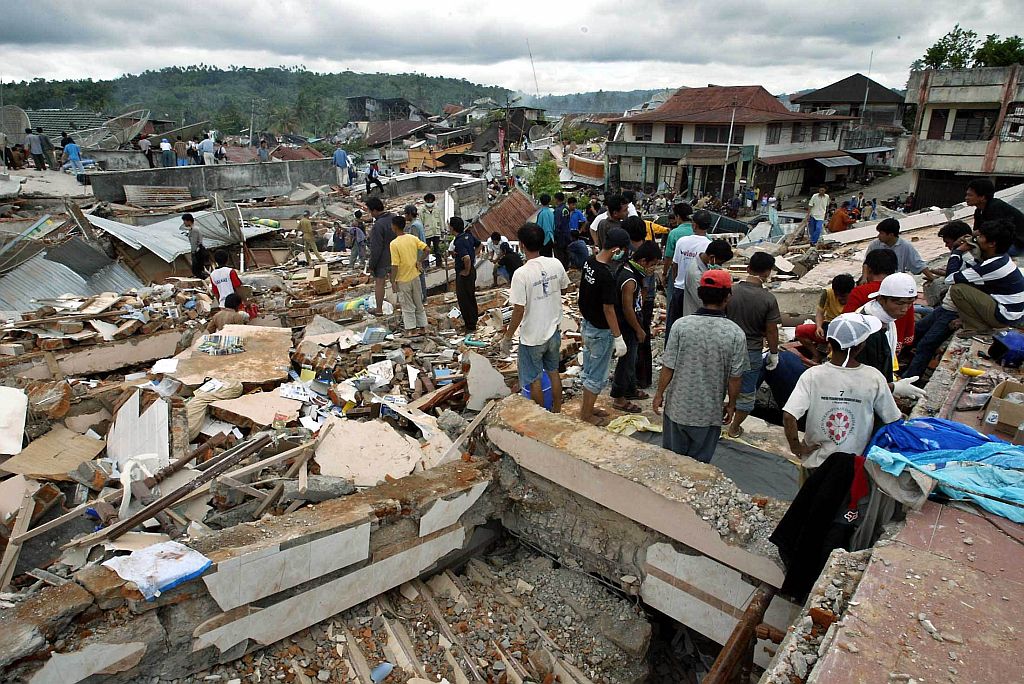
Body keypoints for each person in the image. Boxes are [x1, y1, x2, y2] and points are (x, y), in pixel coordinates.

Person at [783, 313, 903, 470]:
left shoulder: (813, 375)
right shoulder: (873, 377)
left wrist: (796, 447)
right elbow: (892, 419)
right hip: (852, 465)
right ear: (861, 346)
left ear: (829, 343)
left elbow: (788, 415)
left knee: (810, 494)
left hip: (815, 463)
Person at [653, 268, 749, 463]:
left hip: (677, 410)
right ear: (727, 297)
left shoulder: (681, 326)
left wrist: (659, 394)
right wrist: (731, 405)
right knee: (699, 466)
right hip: (709, 414)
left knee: (672, 461)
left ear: (700, 294)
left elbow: (668, 366)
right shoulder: (735, 334)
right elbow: (735, 377)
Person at [500, 223, 571, 412]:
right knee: (553, 371)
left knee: (534, 379)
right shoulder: (555, 263)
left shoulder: (521, 274)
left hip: (532, 337)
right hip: (553, 331)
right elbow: (565, 287)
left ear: (522, 245)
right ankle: (557, 411)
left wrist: (508, 337)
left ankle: (542, 417)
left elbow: (518, 310)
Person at [906, 221, 975, 379]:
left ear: (960, 241)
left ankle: (910, 380)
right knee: (916, 331)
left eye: (948, 243)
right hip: (945, 307)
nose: (946, 246)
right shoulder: (963, 257)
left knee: (926, 345)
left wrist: (962, 318)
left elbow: (960, 281)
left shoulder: (968, 259)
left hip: (953, 312)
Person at [725, 251, 782, 438]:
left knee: (720, 387)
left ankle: (715, 421)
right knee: (747, 394)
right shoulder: (768, 299)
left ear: (748, 268)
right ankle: (733, 428)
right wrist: (774, 353)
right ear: (768, 272)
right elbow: (772, 330)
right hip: (751, 352)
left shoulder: (731, 291)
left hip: (726, 347)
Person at [578, 228, 630, 426]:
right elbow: (609, 309)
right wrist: (618, 337)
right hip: (600, 331)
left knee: (590, 371)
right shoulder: (606, 275)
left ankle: (588, 408)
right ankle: (586, 415)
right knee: (596, 376)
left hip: (588, 325)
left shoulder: (590, 262)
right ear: (616, 249)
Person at [948, 218, 1024, 337]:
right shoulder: (1001, 258)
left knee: (958, 289)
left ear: (992, 243)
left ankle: (979, 328)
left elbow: (950, 279)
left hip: (1005, 317)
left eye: (981, 236)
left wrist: (957, 251)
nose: (977, 239)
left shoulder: (993, 265)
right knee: (968, 283)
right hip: (1012, 313)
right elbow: (967, 270)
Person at [855, 273, 926, 400]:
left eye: (909, 303)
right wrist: (892, 388)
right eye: (900, 303)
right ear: (882, 299)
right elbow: (864, 378)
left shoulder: (886, 320)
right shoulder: (869, 330)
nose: (905, 309)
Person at [610, 241, 661, 413]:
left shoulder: (631, 269)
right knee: (627, 361)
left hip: (632, 321)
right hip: (627, 325)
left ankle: (630, 389)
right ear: (644, 261)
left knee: (632, 359)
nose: (653, 268)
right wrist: (639, 329)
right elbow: (627, 308)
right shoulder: (629, 278)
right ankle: (618, 397)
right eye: (653, 264)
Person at [844, 248, 915, 353]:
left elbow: (846, 325)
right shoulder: (903, 294)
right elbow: (909, 325)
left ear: (868, 269)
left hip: (865, 350)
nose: (904, 308)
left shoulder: (860, 292)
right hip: (895, 346)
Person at [667, 210, 712, 334]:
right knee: (691, 328)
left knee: (674, 327)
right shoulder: (709, 244)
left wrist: (676, 280)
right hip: (697, 291)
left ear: (694, 225)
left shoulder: (682, 241)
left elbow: (674, 265)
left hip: (679, 289)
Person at [794, 274, 856, 362]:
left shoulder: (856, 297)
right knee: (800, 331)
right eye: (836, 295)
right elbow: (820, 312)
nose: (839, 298)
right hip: (829, 326)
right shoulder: (827, 293)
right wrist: (819, 327)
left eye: (843, 296)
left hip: (846, 330)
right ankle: (816, 355)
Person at [389, 215, 429, 335]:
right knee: (418, 302)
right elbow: (427, 249)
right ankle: (422, 327)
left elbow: (395, 265)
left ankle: (411, 329)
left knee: (407, 305)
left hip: (403, 279)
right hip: (415, 276)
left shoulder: (394, 244)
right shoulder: (412, 238)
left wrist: (393, 280)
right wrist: (419, 261)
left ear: (394, 227)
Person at [965, 178, 1024, 253]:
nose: (966, 198)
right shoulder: (978, 211)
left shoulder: (995, 207)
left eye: (970, 195)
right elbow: (976, 232)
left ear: (982, 197)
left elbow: (994, 231)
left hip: (1018, 243)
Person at [682, 239, 734, 318]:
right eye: (719, 263)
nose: (720, 265)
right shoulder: (696, 274)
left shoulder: (704, 263)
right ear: (712, 257)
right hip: (697, 318)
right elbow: (704, 302)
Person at [450, 216, 481, 331]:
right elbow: (479, 245)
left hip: (465, 272)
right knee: (470, 297)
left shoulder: (459, 241)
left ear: (452, 227)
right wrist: (473, 255)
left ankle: (470, 325)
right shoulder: (468, 236)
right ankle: (473, 322)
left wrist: (466, 270)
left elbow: (466, 258)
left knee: (464, 299)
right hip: (471, 270)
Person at [366, 197, 396, 315]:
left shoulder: (378, 225)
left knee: (379, 283)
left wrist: (372, 264)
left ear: (374, 210)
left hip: (383, 259)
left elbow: (376, 247)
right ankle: (402, 306)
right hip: (396, 256)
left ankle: (379, 309)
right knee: (397, 282)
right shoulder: (393, 217)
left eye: (370, 211)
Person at [662, 203, 694, 283]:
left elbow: (668, 258)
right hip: (697, 276)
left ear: (678, 217)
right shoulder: (703, 234)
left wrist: (664, 274)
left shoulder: (674, 233)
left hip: (677, 274)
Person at [404, 205, 427, 294]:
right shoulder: (418, 223)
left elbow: (414, 242)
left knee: (420, 278)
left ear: (410, 214)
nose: (405, 216)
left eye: (406, 214)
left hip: (418, 255)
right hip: (421, 253)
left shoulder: (414, 226)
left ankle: (423, 298)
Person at [183, 214, 208, 279]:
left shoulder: (194, 229)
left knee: (197, 270)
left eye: (185, 221)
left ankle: (204, 280)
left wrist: (193, 252)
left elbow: (194, 242)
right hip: (197, 250)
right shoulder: (193, 229)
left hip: (197, 251)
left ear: (189, 221)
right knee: (197, 269)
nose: (184, 223)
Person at [421, 193, 443, 264]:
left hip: (436, 231)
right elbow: (421, 222)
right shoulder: (422, 210)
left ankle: (439, 263)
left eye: (431, 200)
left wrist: (442, 230)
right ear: (426, 201)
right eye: (428, 200)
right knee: (426, 249)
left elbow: (441, 220)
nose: (429, 202)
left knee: (437, 249)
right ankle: (426, 264)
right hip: (427, 233)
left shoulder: (437, 209)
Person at [553, 192, 571, 265]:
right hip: (567, 234)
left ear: (557, 199)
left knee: (559, 255)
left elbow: (557, 225)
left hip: (560, 236)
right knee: (566, 253)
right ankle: (566, 268)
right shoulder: (566, 209)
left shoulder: (558, 210)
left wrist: (555, 237)